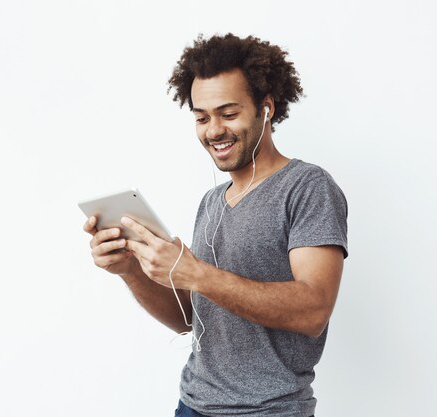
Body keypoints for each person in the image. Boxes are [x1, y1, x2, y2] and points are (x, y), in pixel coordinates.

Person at [83, 33, 348, 417]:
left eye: (229, 114)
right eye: (202, 117)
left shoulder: (307, 187)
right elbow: (190, 319)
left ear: (266, 108)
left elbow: (312, 312)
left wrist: (195, 273)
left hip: (270, 411)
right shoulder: (211, 202)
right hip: (192, 405)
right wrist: (130, 271)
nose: (213, 130)